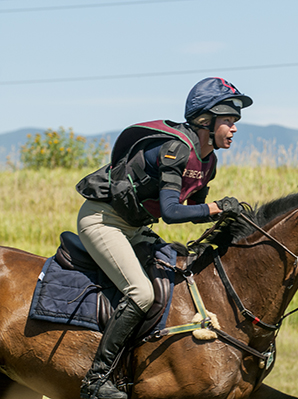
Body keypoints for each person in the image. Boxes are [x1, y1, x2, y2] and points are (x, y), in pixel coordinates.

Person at [75, 77, 252, 399]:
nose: (234, 129)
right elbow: (172, 212)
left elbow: (196, 208)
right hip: (104, 221)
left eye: (235, 122)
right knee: (141, 293)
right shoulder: (177, 149)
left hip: (136, 227)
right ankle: (97, 379)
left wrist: (229, 216)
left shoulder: (208, 161)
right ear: (205, 121)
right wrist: (215, 207)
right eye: (228, 121)